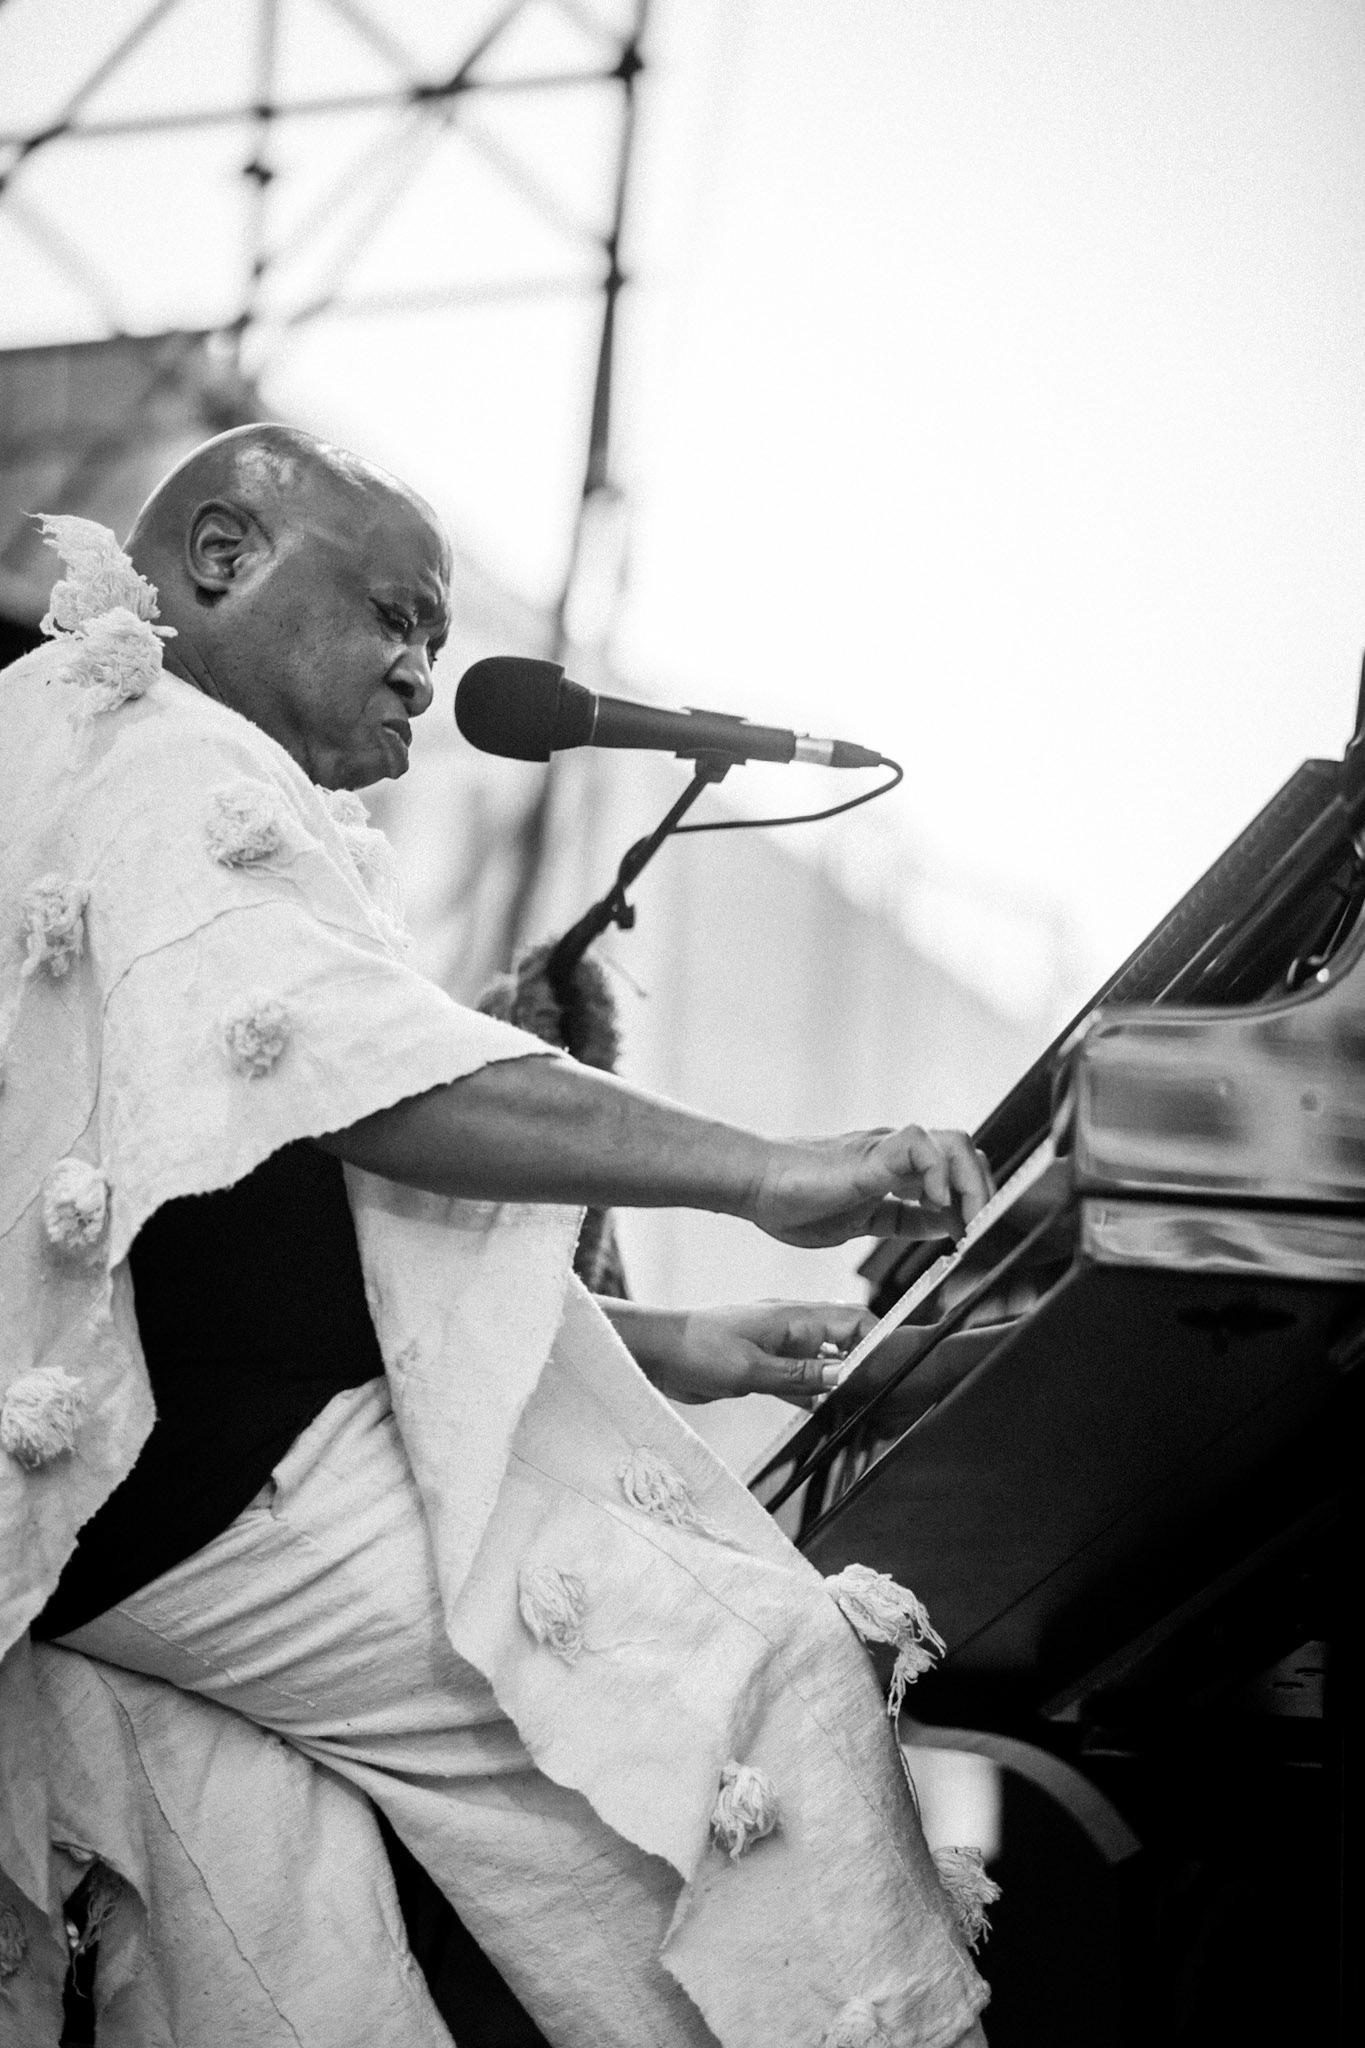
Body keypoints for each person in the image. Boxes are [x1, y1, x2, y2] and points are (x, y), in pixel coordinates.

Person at [0, 425, 993, 2048]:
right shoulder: (168, 752)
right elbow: (366, 1085)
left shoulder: (88, 744)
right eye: (393, 616)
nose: (414, 674)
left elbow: (272, 1209)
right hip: (202, 1496)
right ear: (224, 559)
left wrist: (677, 1346)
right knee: (754, 1679)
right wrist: (758, 1167)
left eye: (434, 643)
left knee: (289, 1996)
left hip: (121, 1524)